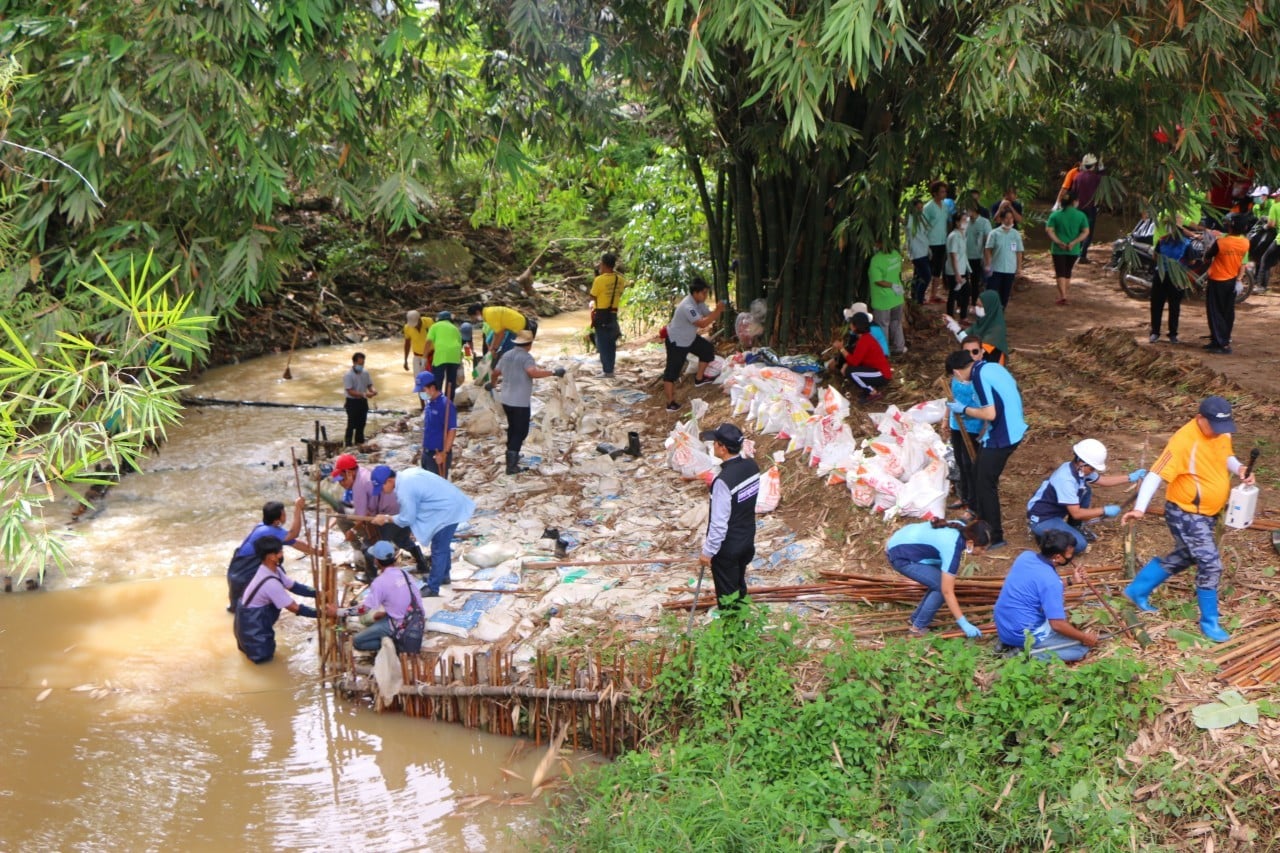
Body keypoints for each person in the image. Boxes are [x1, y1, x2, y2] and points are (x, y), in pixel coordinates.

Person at [1122, 396, 1255, 642]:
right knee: (1210, 563)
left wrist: (1239, 469)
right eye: (1214, 426)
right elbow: (1155, 474)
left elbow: (1226, 456)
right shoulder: (1183, 441)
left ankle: (1137, 590)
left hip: (1208, 513)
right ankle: (1210, 622)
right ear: (1199, 419)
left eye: (1223, 427)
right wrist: (1140, 508)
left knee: (1187, 555)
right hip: (1185, 513)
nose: (1219, 432)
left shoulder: (1221, 432)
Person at [945, 349, 1025, 549]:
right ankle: (980, 518)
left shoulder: (978, 377)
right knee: (977, 470)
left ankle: (995, 536)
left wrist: (962, 409)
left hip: (1003, 435)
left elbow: (990, 413)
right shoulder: (991, 366)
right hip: (1011, 428)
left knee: (985, 484)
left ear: (957, 372)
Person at [1026, 438, 1147, 554]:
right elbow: (1076, 513)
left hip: (1056, 513)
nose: (1093, 471)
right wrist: (1104, 510)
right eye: (1092, 468)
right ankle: (1044, 535)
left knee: (1085, 490)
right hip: (1042, 518)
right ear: (1080, 462)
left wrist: (1130, 477)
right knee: (1079, 545)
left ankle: (1074, 527)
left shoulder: (1079, 470)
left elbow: (1103, 481)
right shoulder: (1066, 479)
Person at [993, 530, 1098, 662]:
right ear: (1058, 557)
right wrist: (1084, 637)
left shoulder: (1026, 556)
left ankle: (1007, 644)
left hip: (1003, 625)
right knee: (1080, 649)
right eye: (1070, 554)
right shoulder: (1050, 581)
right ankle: (1027, 653)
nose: (1072, 557)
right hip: (1023, 633)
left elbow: (1039, 585)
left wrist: (1071, 580)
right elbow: (1057, 624)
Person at [372, 466, 476, 598]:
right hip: (447, 505)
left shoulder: (405, 489)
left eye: (381, 487)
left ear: (389, 480)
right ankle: (443, 576)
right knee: (441, 546)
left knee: (439, 548)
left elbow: (407, 518)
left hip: (447, 510)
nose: (381, 491)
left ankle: (433, 587)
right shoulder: (406, 475)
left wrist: (387, 519)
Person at [886, 518, 992, 636]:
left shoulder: (962, 528)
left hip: (902, 541)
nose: (983, 553)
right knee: (941, 587)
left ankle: (915, 618)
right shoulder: (952, 547)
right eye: (982, 548)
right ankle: (917, 628)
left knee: (938, 582)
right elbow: (947, 591)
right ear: (971, 543)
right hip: (901, 555)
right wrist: (964, 623)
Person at [697, 423, 760, 611]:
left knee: (727, 599)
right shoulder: (751, 466)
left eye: (715, 443)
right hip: (747, 539)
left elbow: (719, 524)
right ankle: (744, 630)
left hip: (728, 549)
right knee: (739, 587)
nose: (713, 446)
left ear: (722, 448)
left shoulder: (723, 482)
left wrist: (708, 552)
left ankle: (732, 637)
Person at [225, 498, 322, 611]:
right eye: (284, 513)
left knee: (245, 607)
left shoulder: (269, 529)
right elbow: (294, 534)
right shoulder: (268, 531)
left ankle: (315, 595)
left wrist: (319, 553)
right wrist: (298, 509)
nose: (286, 515)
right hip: (245, 572)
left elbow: (295, 543)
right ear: (277, 520)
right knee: (245, 608)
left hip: (240, 571)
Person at [329, 540, 426, 652]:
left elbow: (363, 609)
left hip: (400, 625)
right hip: (417, 621)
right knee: (375, 619)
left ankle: (395, 643)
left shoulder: (380, 582)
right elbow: (411, 599)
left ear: (377, 561)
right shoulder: (405, 574)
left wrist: (338, 611)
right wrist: (386, 614)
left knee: (357, 641)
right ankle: (394, 637)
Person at [233, 535, 317, 664]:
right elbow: (295, 608)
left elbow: (293, 586)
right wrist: (323, 613)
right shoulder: (271, 583)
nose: (282, 554)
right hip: (253, 629)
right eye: (280, 551)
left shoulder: (272, 570)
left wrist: (318, 593)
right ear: (271, 556)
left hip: (249, 623)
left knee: (260, 658)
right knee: (264, 661)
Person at [492, 330, 565, 474]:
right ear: (529, 344)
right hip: (519, 401)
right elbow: (532, 372)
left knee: (513, 428)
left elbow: (495, 372)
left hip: (506, 399)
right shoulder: (526, 357)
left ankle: (512, 454)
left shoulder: (506, 355)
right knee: (521, 431)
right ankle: (511, 465)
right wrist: (553, 372)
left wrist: (493, 384)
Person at [662, 277, 725, 412]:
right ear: (695, 293)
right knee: (672, 373)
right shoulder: (688, 306)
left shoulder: (698, 302)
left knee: (707, 350)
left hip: (689, 338)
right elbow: (702, 323)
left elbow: (708, 313)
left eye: (706, 293)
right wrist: (718, 311)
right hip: (677, 341)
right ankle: (670, 403)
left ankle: (699, 379)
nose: (705, 296)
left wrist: (718, 309)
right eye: (704, 293)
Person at [361, 465, 429, 576]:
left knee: (370, 545)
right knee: (403, 540)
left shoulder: (391, 488)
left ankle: (371, 576)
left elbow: (372, 511)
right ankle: (422, 564)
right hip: (402, 516)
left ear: (389, 480)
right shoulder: (400, 484)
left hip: (391, 518)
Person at [1202, 215, 1250, 354]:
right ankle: (1220, 339)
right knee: (1227, 312)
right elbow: (1242, 261)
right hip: (1232, 281)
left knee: (1215, 312)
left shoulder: (1221, 242)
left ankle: (1222, 344)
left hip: (1217, 280)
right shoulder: (1245, 243)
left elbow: (1208, 256)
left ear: (1229, 226)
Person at [947, 338, 985, 513]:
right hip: (957, 425)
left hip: (973, 427)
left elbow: (986, 408)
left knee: (971, 464)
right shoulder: (955, 379)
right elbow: (950, 398)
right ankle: (965, 496)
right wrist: (946, 419)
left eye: (975, 352)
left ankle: (974, 502)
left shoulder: (980, 380)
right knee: (961, 462)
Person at [1148, 212, 1191, 344]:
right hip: (1170, 276)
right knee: (1168, 305)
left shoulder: (1173, 241)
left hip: (1166, 275)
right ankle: (1167, 333)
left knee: (1164, 305)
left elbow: (1155, 257)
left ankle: (1160, 332)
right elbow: (1192, 261)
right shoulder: (1183, 242)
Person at [1045, 190, 1090, 306]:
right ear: (1074, 202)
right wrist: (1074, 242)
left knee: (1060, 272)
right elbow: (1085, 232)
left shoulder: (1055, 215)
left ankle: (1063, 296)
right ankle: (1064, 295)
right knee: (1067, 271)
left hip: (1058, 249)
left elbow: (1049, 230)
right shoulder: (1081, 215)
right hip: (1073, 249)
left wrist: (1058, 242)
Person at [837, 313, 892, 402]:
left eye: (851, 324)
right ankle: (869, 388)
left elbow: (855, 362)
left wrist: (842, 349)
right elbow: (857, 359)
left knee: (851, 372)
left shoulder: (864, 341)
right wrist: (846, 363)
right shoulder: (865, 338)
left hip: (882, 374)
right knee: (850, 369)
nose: (850, 326)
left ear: (855, 327)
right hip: (875, 371)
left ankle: (872, 392)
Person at [944, 290, 1008, 363]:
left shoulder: (996, 330)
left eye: (980, 306)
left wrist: (957, 329)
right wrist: (953, 326)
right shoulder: (981, 323)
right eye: (976, 305)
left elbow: (975, 349)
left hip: (990, 367)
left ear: (989, 308)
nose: (977, 308)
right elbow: (965, 338)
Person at [590, 253, 628, 377]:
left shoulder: (599, 280)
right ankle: (609, 368)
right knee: (611, 343)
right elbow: (620, 294)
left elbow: (593, 296)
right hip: (613, 313)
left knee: (602, 342)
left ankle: (607, 371)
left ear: (604, 264)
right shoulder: (620, 279)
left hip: (601, 314)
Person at [415, 370, 457, 477]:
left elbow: (452, 430)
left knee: (438, 488)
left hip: (438, 454)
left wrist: (444, 453)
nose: (420, 394)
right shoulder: (429, 403)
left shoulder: (446, 405)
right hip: (427, 453)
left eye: (422, 391)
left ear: (432, 388)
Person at [1062, 154, 1103, 262]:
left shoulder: (1077, 177)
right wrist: (1102, 169)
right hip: (1090, 208)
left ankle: (1075, 252)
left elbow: (1073, 193)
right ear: (1093, 165)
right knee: (1087, 231)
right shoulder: (1096, 178)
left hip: (1078, 208)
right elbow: (1103, 182)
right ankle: (1082, 255)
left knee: (1078, 231)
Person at [867, 239, 906, 354]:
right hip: (897, 296)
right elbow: (899, 270)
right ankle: (899, 347)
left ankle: (883, 352)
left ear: (878, 244)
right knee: (896, 322)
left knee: (882, 325)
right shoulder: (896, 254)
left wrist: (891, 285)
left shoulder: (876, 260)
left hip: (882, 300)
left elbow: (878, 281)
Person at [983, 207, 1024, 308]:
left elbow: (1019, 252)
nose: (1009, 220)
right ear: (1001, 219)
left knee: (1005, 295)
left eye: (1011, 218)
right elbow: (988, 249)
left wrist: (1019, 268)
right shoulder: (994, 233)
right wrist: (988, 264)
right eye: (1006, 218)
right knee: (991, 292)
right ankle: (988, 313)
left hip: (1010, 269)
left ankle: (1000, 314)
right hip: (995, 268)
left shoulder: (1015, 234)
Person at [467, 303, 532, 362]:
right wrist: (491, 349)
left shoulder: (489, 315)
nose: (472, 319)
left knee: (506, 353)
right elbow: (497, 333)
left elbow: (500, 334)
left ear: (477, 312)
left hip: (518, 328)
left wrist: (494, 349)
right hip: (513, 325)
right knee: (498, 347)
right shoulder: (488, 312)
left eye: (472, 317)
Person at [424, 311, 463, 400]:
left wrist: (424, 357)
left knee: (437, 380)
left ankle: (437, 402)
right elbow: (460, 344)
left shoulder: (434, 326)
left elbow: (428, 341)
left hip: (441, 355)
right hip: (455, 356)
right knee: (451, 382)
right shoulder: (455, 328)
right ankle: (449, 404)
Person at [924, 181, 950, 304]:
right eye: (942, 191)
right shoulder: (928, 207)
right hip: (931, 241)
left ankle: (933, 294)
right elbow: (923, 224)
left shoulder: (945, 206)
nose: (944, 194)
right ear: (935, 193)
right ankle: (920, 294)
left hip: (942, 241)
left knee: (937, 269)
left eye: (945, 191)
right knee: (927, 269)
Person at [342, 352, 376, 447]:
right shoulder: (348, 375)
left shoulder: (365, 373)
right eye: (359, 364)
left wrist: (373, 390)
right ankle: (348, 443)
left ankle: (359, 442)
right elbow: (350, 391)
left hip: (362, 401)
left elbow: (369, 384)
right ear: (354, 363)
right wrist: (364, 394)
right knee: (351, 424)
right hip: (352, 402)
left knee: (362, 423)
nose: (361, 366)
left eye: (362, 364)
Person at [944, 211, 972, 320]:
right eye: (963, 220)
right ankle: (950, 317)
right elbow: (953, 255)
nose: (966, 223)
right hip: (955, 271)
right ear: (957, 222)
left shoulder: (962, 235)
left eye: (967, 220)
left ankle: (962, 317)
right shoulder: (954, 236)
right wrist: (957, 274)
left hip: (963, 268)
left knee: (965, 293)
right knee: (954, 294)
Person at [906, 198, 932, 304]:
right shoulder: (910, 219)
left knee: (918, 276)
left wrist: (928, 249)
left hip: (924, 251)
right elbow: (905, 223)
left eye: (921, 207)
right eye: (918, 208)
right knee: (926, 276)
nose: (921, 210)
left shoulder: (920, 218)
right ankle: (919, 299)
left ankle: (915, 297)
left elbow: (924, 235)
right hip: (917, 253)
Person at [965, 202, 992, 300]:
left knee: (975, 281)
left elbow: (988, 241)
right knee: (964, 281)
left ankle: (974, 302)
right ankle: (962, 302)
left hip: (978, 256)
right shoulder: (965, 222)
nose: (966, 212)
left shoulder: (985, 222)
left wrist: (986, 258)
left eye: (968, 210)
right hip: (965, 256)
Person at [402, 310, 433, 377]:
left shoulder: (429, 322)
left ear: (419, 319)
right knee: (418, 380)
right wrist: (405, 360)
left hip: (431, 355)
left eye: (416, 324)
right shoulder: (407, 327)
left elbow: (435, 338)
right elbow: (407, 344)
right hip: (417, 356)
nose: (415, 326)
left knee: (431, 380)